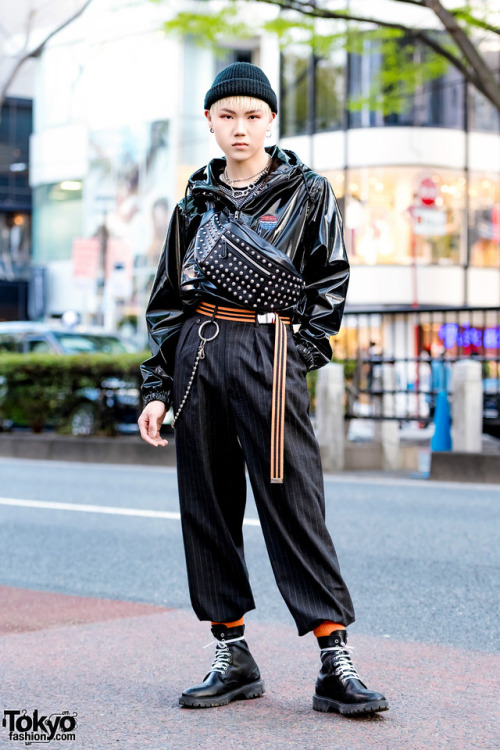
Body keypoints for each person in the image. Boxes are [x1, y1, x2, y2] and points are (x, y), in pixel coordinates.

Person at [138, 62, 388, 716]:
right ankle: (232, 654)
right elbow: (166, 300)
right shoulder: (193, 199)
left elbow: (329, 283)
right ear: (210, 122)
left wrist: (296, 353)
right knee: (208, 505)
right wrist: (156, 387)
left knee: (293, 501)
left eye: (252, 115)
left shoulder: (307, 191)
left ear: (271, 119)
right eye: (228, 116)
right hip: (199, 350)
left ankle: (335, 661)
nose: (240, 127)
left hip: (271, 352)